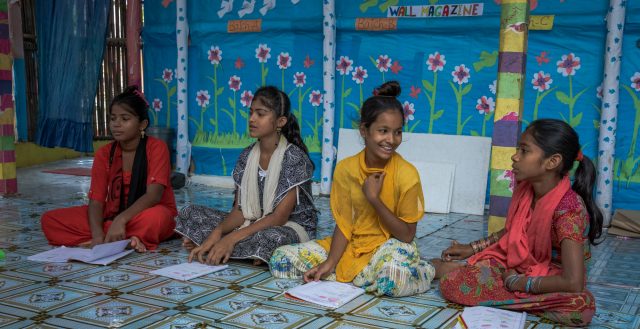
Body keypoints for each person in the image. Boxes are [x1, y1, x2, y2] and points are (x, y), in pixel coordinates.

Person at [269, 81, 435, 297]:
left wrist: (374, 199)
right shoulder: (347, 169)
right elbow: (345, 224)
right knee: (281, 260)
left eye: (397, 132)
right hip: (352, 246)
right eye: (383, 131)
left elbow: (406, 235)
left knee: (392, 280)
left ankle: (427, 269)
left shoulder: (407, 174)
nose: (391, 140)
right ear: (364, 130)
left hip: (388, 248)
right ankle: (356, 274)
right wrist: (330, 262)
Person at [435, 119, 603, 326]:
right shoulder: (527, 188)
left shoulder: (568, 209)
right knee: (457, 281)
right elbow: (512, 232)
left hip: (553, 276)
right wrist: (472, 247)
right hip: (519, 264)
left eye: (524, 151)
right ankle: (495, 284)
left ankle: (491, 282)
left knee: (580, 307)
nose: (515, 156)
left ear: (552, 161)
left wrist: (518, 282)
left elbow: (573, 282)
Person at [176, 86, 317, 266]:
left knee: (272, 238)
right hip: (253, 223)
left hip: (288, 227)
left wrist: (230, 238)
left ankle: (221, 247)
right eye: (251, 113)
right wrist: (218, 232)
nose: (252, 119)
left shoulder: (295, 159)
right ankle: (236, 249)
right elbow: (239, 211)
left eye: (260, 114)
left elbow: (279, 218)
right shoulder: (246, 156)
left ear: (280, 121)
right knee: (190, 212)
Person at [41, 86, 177, 252]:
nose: (116, 125)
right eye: (113, 119)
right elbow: (97, 200)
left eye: (125, 119)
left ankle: (117, 236)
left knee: (156, 219)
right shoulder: (104, 154)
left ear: (142, 124)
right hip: (112, 215)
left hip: (148, 213)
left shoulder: (157, 148)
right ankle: (126, 239)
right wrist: (98, 234)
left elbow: (154, 196)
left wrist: (121, 220)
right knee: (50, 220)